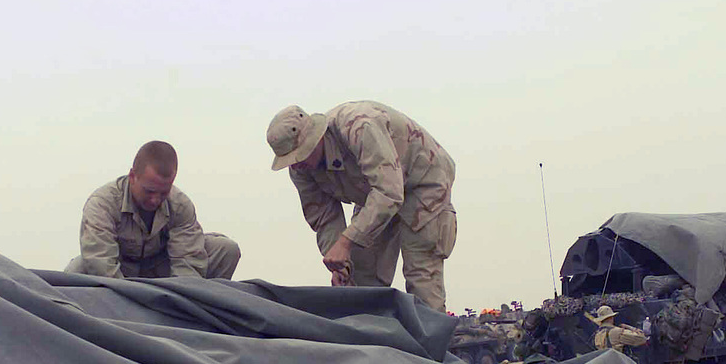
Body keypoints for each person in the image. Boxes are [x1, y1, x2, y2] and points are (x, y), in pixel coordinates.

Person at [265, 101, 457, 312]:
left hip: (422, 183)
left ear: (315, 139)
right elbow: (324, 218)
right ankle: (371, 340)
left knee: (421, 273)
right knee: (360, 278)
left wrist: (345, 243)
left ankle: (431, 340)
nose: (296, 164)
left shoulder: (359, 127)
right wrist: (340, 264)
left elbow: (388, 193)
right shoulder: (301, 170)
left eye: (300, 155)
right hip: (373, 196)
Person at [65, 140, 240, 280]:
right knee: (77, 269)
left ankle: (198, 317)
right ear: (133, 176)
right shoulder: (102, 204)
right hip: (120, 273)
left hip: (163, 270)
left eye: (163, 192)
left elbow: (188, 265)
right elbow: (101, 265)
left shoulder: (180, 205)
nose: (155, 199)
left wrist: (181, 298)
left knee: (225, 249)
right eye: (149, 191)